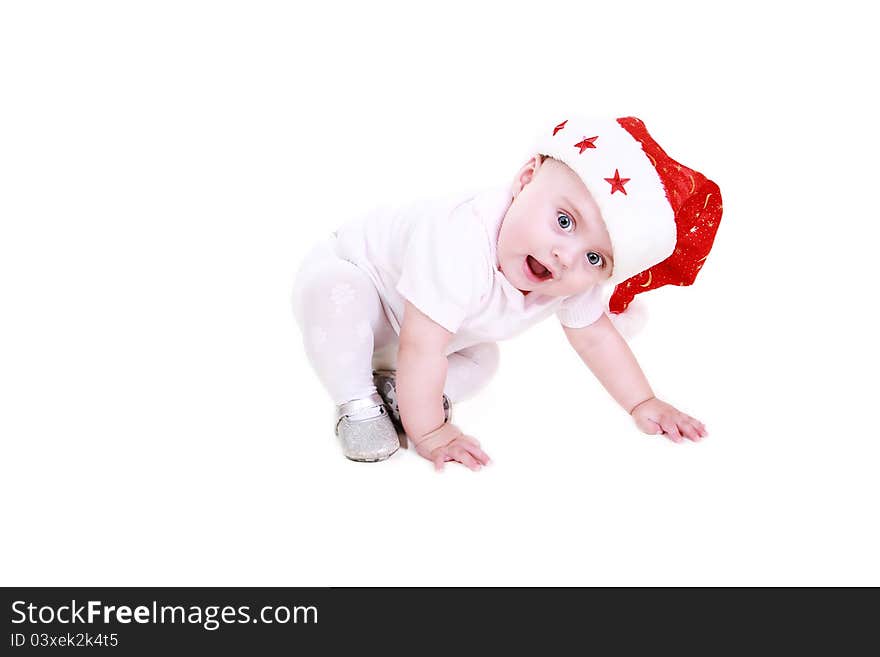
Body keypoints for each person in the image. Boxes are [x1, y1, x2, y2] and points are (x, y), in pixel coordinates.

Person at [291, 116, 722, 470]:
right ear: (525, 179)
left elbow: (595, 336)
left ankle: (398, 393)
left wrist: (642, 403)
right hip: (368, 292)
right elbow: (422, 347)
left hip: (425, 334)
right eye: (565, 221)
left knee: (483, 360)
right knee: (336, 295)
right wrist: (431, 433)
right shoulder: (460, 238)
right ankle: (358, 401)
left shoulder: (568, 278)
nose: (567, 256)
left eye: (596, 258)